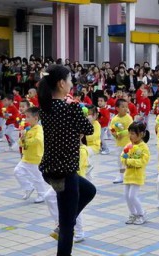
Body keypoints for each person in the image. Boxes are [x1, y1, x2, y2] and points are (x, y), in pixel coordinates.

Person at [38, 64, 96, 255]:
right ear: (61, 83)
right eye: (70, 80)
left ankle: (65, 222)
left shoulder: (45, 108)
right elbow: (89, 130)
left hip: (50, 168)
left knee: (89, 190)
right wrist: (78, 109)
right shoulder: (70, 108)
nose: (72, 83)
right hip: (65, 172)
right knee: (67, 229)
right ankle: (64, 225)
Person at [46, 135, 91, 243]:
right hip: (65, 180)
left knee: (74, 206)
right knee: (49, 197)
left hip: (75, 181)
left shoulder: (82, 151)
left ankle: (78, 232)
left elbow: (76, 169)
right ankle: (61, 224)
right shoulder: (69, 147)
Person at [14, 107, 47, 203]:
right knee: (17, 171)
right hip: (26, 157)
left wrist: (26, 141)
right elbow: (21, 143)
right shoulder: (28, 129)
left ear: (36, 118)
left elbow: (38, 140)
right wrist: (23, 138)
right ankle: (28, 187)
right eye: (25, 117)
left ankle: (42, 194)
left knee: (37, 178)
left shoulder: (38, 129)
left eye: (28, 117)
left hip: (35, 158)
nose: (26, 119)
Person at [122, 122, 150, 225]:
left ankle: (141, 214)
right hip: (128, 175)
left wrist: (129, 161)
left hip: (137, 176)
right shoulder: (128, 145)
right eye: (129, 133)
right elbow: (123, 156)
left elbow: (143, 162)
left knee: (132, 196)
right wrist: (124, 160)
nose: (130, 136)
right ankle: (133, 214)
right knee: (126, 196)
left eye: (133, 133)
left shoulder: (144, 147)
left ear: (141, 134)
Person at [111, 99, 134, 184]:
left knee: (129, 160)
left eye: (126, 107)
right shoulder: (114, 119)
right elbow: (112, 129)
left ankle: (130, 175)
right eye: (123, 107)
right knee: (120, 161)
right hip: (119, 144)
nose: (125, 108)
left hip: (128, 143)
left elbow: (130, 129)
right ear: (117, 108)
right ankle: (121, 175)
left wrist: (121, 133)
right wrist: (115, 134)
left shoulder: (128, 118)